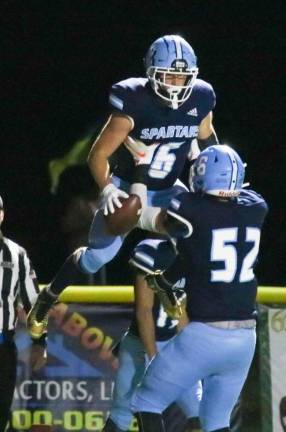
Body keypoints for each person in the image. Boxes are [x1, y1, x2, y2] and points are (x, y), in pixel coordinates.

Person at [27, 33, 218, 339]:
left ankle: (164, 281)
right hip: (128, 187)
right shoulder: (134, 100)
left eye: (182, 78)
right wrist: (106, 188)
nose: (175, 85)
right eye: (168, 76)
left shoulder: (201, 96)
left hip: (169, 186)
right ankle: (47, 298)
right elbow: (98, 155)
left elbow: (206, 136)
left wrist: (215, 168)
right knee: (96, 259)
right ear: (152, 72)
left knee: (204, 229)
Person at [128, 145, 268, 432]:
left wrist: (143, 170)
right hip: (245, 338)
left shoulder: (190, 210)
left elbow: (147, 215)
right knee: (215, 422)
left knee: (145, 401)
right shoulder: (256, 207)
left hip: (205, 334)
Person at [102, 239, 202, 432]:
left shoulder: (196, 254)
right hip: (139, 345)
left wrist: (191, 352)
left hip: (173, 343)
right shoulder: (152, 251)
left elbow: (181, 312)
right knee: (121, 416)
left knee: (200, 414)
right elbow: (144, 310)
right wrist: (154, 357)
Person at [0, 195, 47, 431]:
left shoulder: (16, 254)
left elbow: (33, 301)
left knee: (1, 413)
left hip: (3, 346)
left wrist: (40, 341)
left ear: (1, 215)